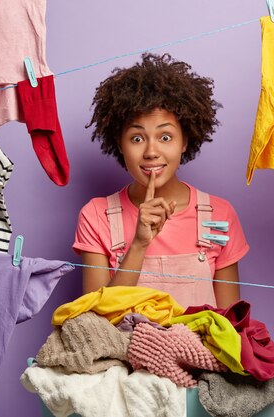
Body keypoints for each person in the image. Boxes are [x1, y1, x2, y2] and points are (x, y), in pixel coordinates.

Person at [73, 53, 249, 308]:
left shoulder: (220, 214)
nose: (151, 151)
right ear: (119, 144)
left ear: (185, 141)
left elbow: (230, 325)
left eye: (165, 137)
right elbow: (92, 323)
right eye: (137, 138)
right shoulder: (96, 215)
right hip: (122, 348)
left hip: (198, 349)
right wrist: (138, 244)